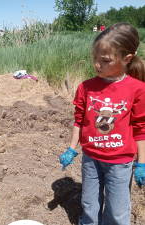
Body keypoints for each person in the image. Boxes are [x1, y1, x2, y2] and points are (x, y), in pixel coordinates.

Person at [59, 23, 145, 225]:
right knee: (89, 204)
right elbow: (79, 119)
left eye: (105, 61)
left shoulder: (137, 89)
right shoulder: (86, 87)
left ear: (126, 59)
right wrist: (72, 149)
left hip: (120, 163)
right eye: (95, 58)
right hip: (91, 159)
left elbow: (141, 128)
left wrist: (141, 162)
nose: (97, 65)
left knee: (117, 209)